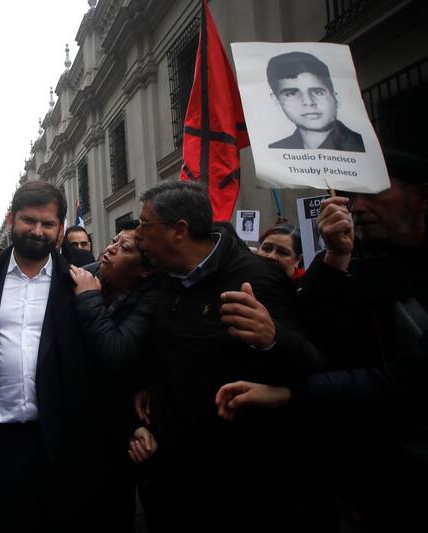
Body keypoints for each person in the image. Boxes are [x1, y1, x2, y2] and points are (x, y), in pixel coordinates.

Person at [219, 149, 428, 532]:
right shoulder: (360, 264)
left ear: (419, 197)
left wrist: (292, 394)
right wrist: (334, 257)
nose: (357, 206)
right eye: (353, 196)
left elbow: (402, 381)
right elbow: (319, 339)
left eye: (374, 193)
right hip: (371, 480)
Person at [132, 180, 327, 533]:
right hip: (176, 473)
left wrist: (272, 339)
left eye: (146, 225)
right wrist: (149, 384)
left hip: (241, 479)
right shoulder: (164, 279)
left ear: (179, 230)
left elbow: (312, 364)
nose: (138, 235)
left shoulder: (257, 278)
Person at [0, 181, 96, 533]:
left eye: (48, 224)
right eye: (28, 220)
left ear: (61, 228)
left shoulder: (80, 281)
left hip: (56, 440)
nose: (37, 231)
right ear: (11, 220)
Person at [68, 221, 158, 532]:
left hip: (121, 434)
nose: (110, 249)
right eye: (114, 241)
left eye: (125, 248)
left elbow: (116, 355)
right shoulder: (88, 276)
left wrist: (88, 298)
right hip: (77, 428)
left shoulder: (152, 299)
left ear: (145, 270)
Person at [266, 51, 365, 152]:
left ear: (336, 99)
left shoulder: (362, 147)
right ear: (277, 101)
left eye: (318, 92)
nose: (309, 102)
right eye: (291, 94)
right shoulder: (274, 151)